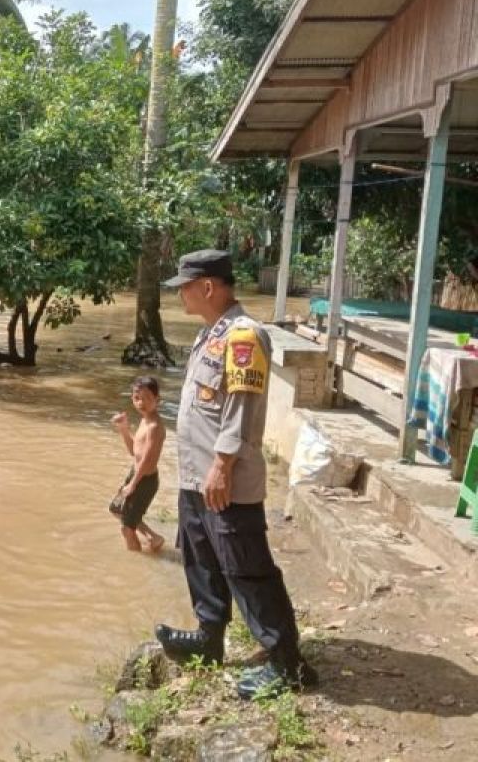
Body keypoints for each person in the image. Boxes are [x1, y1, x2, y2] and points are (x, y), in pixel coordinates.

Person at [154, 249, 317, 700]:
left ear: (207, 287)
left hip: (224, 478)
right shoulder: (210, 334)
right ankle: (210, 638)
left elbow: (240, 412)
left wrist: (222, 466)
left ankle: (288, 664)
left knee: (245, 567)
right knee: (200, 557)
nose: (180, 295)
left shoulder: (244, 335)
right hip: (195, 477)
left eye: (184, 287)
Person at [109, 376, 167, 553]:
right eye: (137, 398)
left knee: (127, 528)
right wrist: (124, 429)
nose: (141, 402)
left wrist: (133, 484)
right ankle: (153, 538)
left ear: (157, 400)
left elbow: (148, 459)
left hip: (144, 480)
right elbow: (134, 452)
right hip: (136, 474)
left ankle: (136, 563)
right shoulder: (145, 419)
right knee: (116, 509)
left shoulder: (154, 426)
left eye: (147, 398)